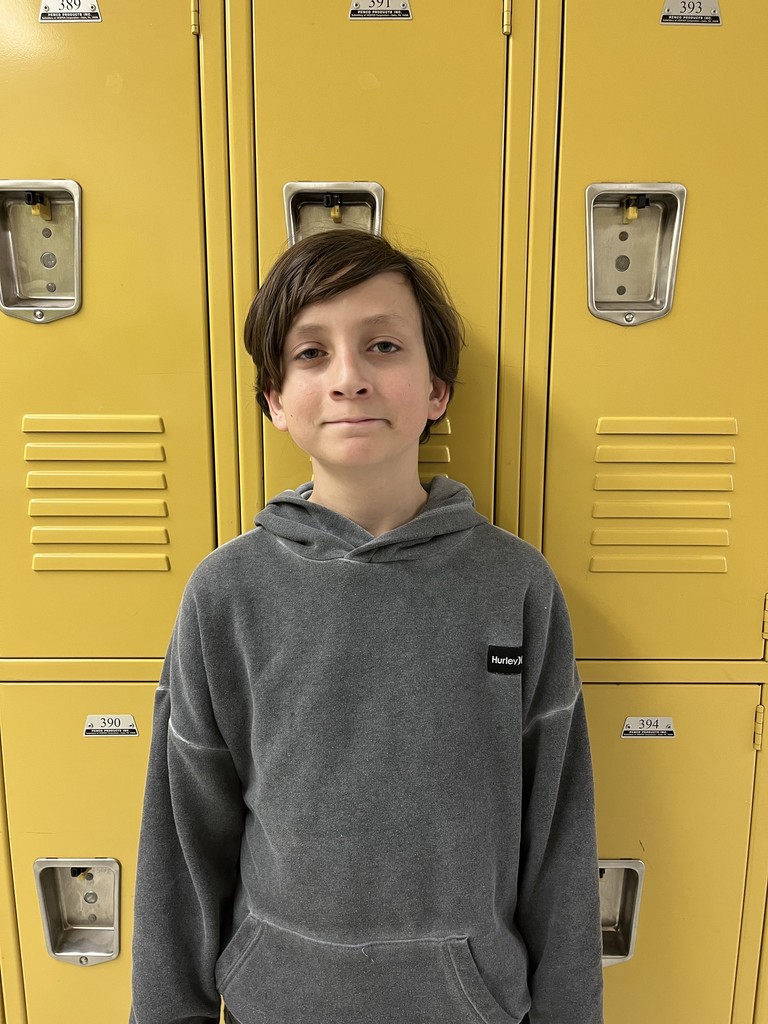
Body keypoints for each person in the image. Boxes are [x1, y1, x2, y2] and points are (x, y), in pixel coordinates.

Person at [129, 228, 603, 1024]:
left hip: (474, 1010)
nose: (349, 378)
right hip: (277, 1004)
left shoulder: (515, 584)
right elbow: (181, 843)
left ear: (436, 390)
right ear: (275, 400)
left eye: (383, 345)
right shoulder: (226, 591)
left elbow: (560, 839)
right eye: (311, 354)